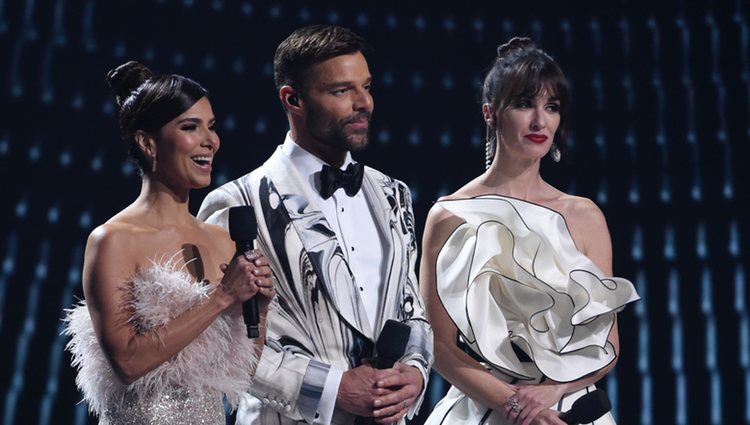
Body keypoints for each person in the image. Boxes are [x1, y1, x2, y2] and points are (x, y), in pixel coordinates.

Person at [197, 25, 433, 425]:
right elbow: (219, 339)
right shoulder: (237, 202)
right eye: (342, 91)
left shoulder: (394, 193)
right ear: (293, 99)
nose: (365, 103)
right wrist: (331, 388)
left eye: (367, 86)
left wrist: (415, 371)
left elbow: (412, 306)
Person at [420, 38, 640, 425]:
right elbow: (438, 345)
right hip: (483, 408)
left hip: (568, 408)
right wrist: (517, 405)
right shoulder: (449, 214)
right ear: (490, 113)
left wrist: (552, 392)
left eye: (551, 107)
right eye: (525, 104)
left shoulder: (584, 215)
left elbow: (608, 343)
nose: (540, 121)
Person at [64, 61, 275, 424]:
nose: (210, 141)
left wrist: (261, 309)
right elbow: (127, 363)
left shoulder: (223, 240)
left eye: (211, 127)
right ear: (148, 143)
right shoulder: (112, 240)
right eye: (190, 127)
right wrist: (222, 296)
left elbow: (241, 374)